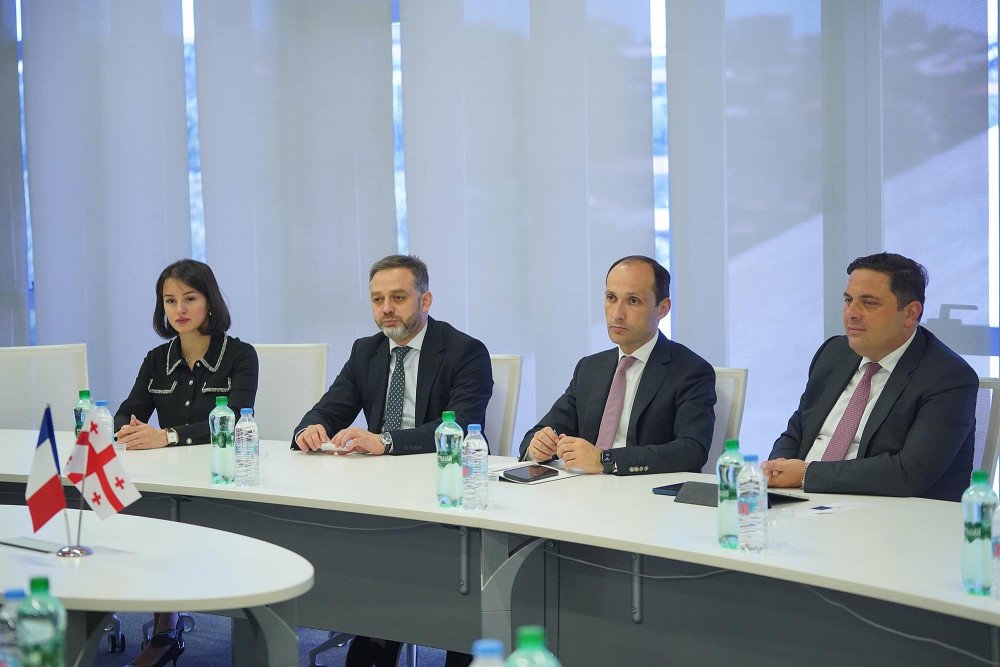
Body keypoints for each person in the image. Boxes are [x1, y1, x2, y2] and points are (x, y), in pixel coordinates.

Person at [293, 254, 492, 667]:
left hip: (442, 494)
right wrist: (310, 429)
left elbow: (460, 425)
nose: (386, 309)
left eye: (398, 298)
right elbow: (329, 409)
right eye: (377, 299)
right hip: (379, 494)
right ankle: (378, 630)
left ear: (425, 300)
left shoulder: (465, 351)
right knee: (375, 576)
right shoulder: (366, 351)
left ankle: (449, 637)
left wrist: (385, 441)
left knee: (441, 591)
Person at [114, 258, 259, 667]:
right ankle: (166, 627)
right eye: (170, 300)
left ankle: (177, 625)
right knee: (139, 523)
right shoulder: (156, 358)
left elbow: (234, 416)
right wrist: (129, 429)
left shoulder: (240, 356)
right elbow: (127, 412)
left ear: (209, 301)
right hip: (166, 478)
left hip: (223, 475)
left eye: (190, 298)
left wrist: (167, 436)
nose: (179, 309)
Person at [762, 252, 977, 501]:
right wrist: (778, 468)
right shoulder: (833, 353)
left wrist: (806, 475)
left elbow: (908, 474)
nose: (851, 313)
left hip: (886, 512)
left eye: (868, 303)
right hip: (803, 502)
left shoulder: (948, 377)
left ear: (910, 313)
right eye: (848, 300)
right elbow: (797, 429)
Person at [519, 255, 716, 475]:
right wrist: (538, 447)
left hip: (645, 491)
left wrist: (605, 460)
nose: (617, 314)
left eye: (633, 301)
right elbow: (540, 432)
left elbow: (691, 450)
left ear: (662, 308)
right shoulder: (589, 368)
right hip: (584, 490)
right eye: (611, 298)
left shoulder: (690, 371)